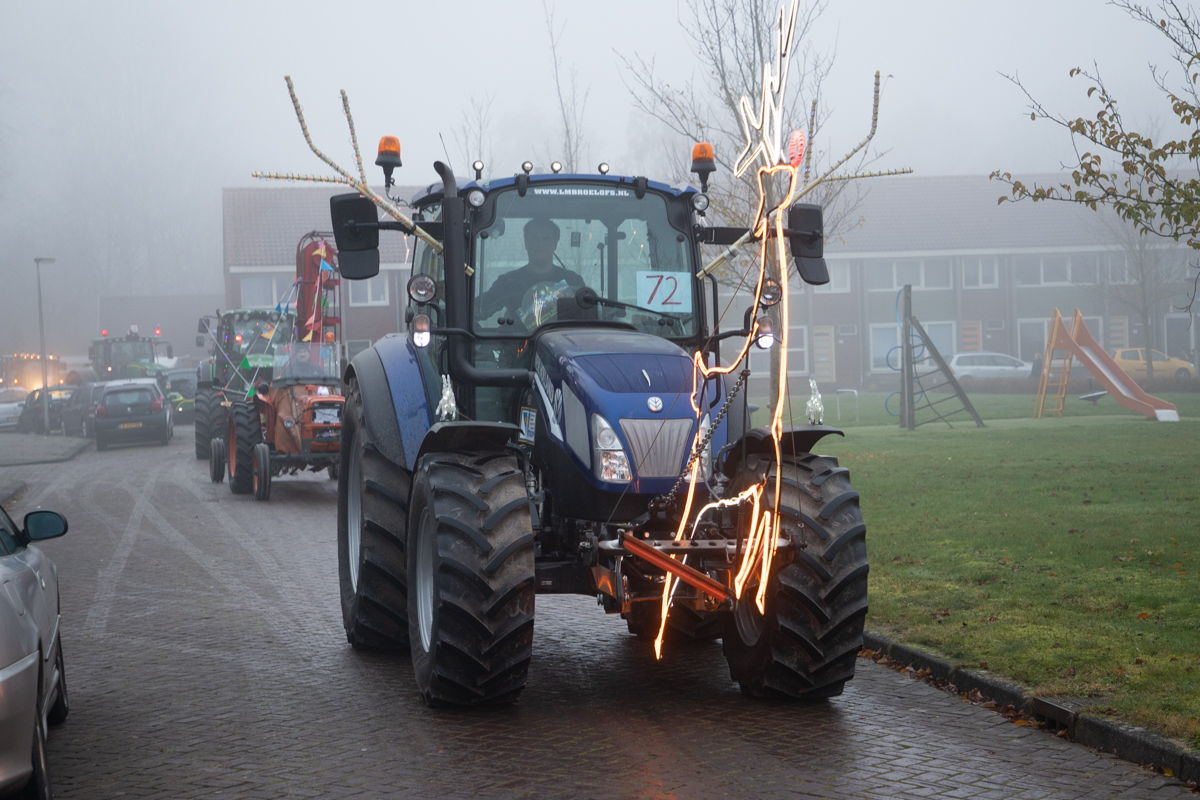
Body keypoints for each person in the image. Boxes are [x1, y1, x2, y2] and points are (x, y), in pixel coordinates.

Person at [477, 217, 585, 323]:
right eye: (534, 238)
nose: (540, 244)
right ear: (525, 243)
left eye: (546, 239)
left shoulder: (572, 282)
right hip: (518, 340)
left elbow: (589, 317)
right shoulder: (508, 283)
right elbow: (477, 309)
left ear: (555, 244)